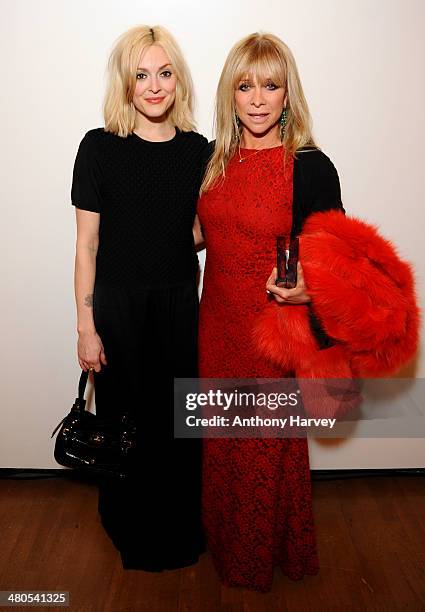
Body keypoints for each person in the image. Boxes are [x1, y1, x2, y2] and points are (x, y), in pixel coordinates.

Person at [195, 32, 344, 592]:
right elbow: (196, 233)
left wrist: (306, 290)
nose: (257, 98)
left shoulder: (309, 165)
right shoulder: (212, 160)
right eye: (245, 85)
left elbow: (339, 256)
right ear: (230, 94)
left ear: (288, 95)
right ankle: (223, 542)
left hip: (269, 330)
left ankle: (259, 557)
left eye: (271, 85)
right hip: (216, 325)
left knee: (264, 447)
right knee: (223, 442)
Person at [71, 25, 208, 571]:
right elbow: (87, 244)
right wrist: (86, 326)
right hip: (119, 307)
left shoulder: (200, 151)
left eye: (165, 73)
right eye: (141, 75)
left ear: (178, 80)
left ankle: (179, 530)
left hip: (179, 304)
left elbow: (199, 232)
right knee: (125, 424)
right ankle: (130, 529)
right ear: (125, 83)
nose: (154, 86)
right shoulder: (98, 147)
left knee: (177, 425)